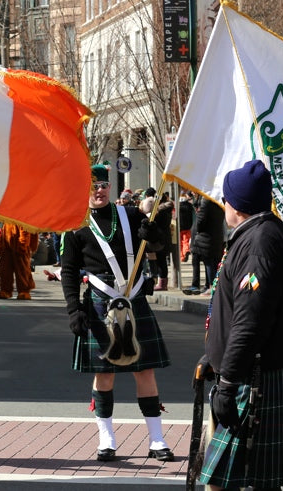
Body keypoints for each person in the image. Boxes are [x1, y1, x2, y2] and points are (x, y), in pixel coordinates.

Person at [199, 160, 283, 490]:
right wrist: (214, 355)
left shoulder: (258, 244)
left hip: (254, 378)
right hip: (254, 373)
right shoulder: (260, 234)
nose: (224, 205)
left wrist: (229, 380)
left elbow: (250, 321)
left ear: (237, 204)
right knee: (263, 482)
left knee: (220, 483)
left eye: (227, 199)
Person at [60, 164, 174, 463]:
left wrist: (155, 233)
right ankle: (106, 440)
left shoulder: (132, 214)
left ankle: (157, 439)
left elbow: (159, 245)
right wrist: (74, 309)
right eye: (92, 186)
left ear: (109, 188)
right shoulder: (76, 226)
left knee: (144, 371)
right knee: (104, 374)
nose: (98, 191)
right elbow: (69, 272)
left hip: (134, 300)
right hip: (100, 303)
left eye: (102, 185)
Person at [187, 196, 225, 295]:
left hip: (205, 237)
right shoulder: (218, 203)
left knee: (208, 262)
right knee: (213, 262)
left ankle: (211, 286)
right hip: (216, 236)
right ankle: (211, 285)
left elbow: (200, 221)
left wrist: (197, 230)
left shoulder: (206, 202)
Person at [0, 222, 39, 300]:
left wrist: (22, 245)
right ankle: (5, 290)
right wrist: (1, 245)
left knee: (22, 270)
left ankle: (24, 290)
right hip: (7, 246)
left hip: (19, 247)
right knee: (4, 269)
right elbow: (3, 231)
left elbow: (26, 230)